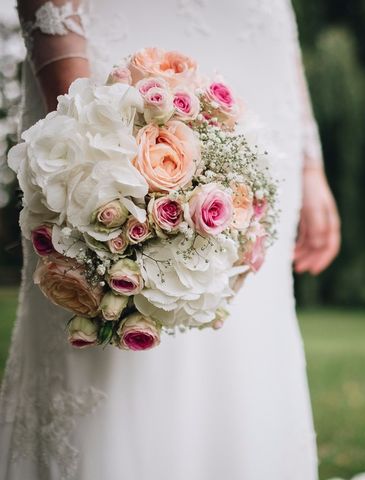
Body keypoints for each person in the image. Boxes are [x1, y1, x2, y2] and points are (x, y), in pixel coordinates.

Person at [0, 0, 340, 478]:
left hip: (264, 98)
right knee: (123, 344)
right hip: (119, 83)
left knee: (249, 340)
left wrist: (310, 160)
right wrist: (79, 130)